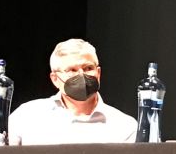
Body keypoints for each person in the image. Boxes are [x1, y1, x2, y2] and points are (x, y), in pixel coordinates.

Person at [9, 39, 137, 145]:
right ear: (55, 79)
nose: (81, 75)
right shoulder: (27, 116)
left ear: (98, 73)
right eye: (72, 70)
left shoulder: (124, 126)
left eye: (88, 68)